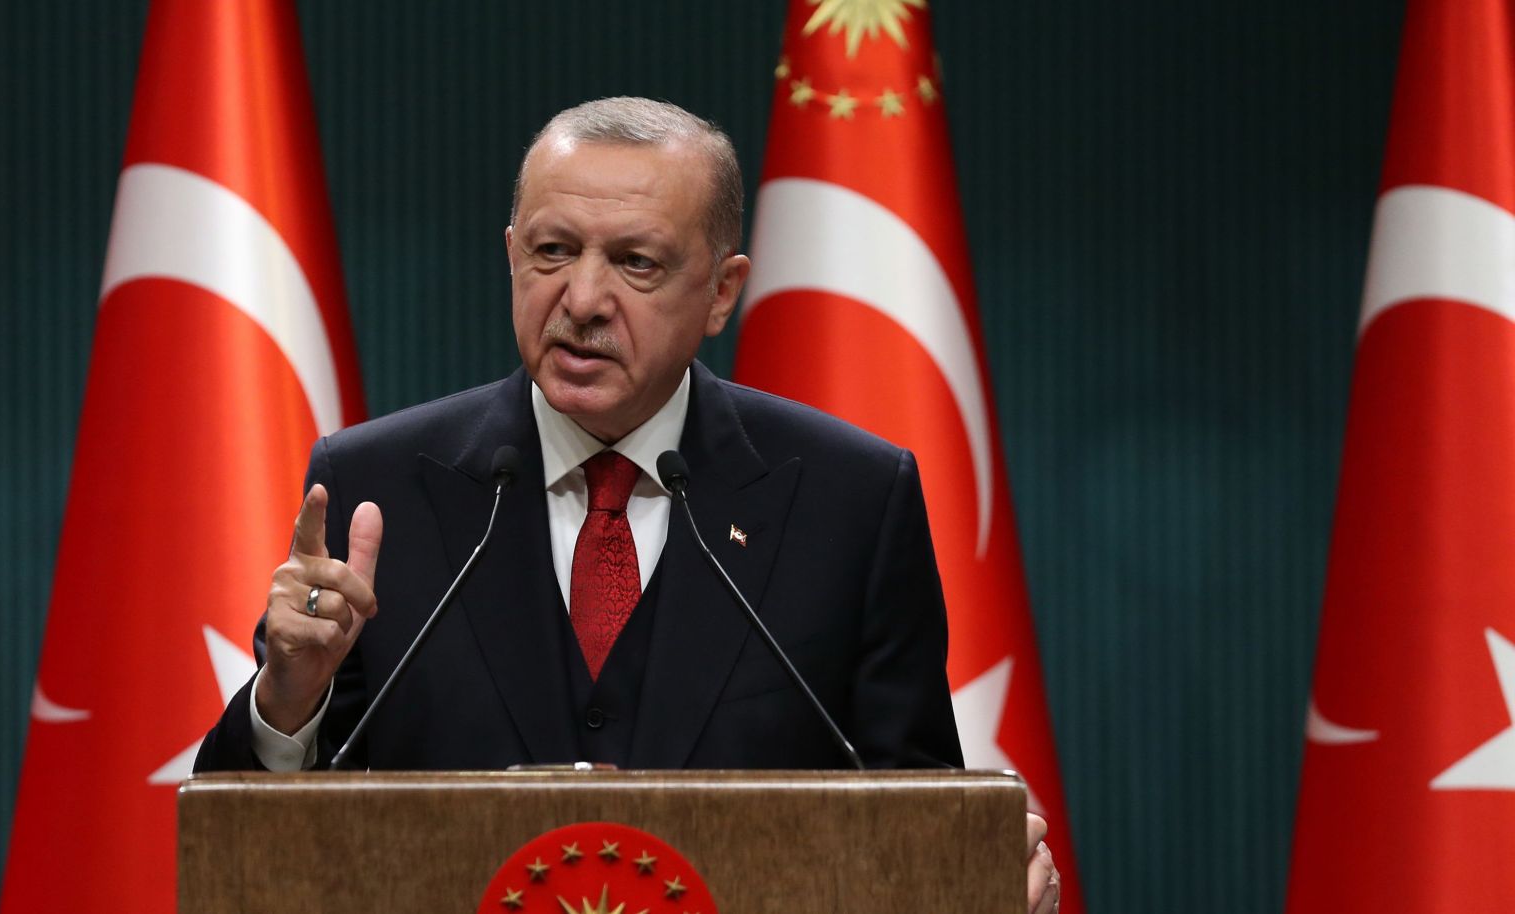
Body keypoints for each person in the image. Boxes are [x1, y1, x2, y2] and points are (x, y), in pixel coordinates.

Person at [193, 97, 1060, 913]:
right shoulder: (379, 487)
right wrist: (285, 702)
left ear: (722, 290)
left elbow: (912, 819)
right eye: (552, 252)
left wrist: (973, 869)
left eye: (635, 262)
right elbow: (255, 847)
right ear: (510, 255)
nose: (581, 300)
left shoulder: (850, 500)